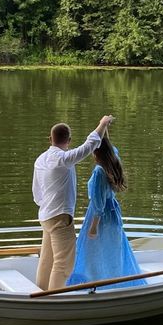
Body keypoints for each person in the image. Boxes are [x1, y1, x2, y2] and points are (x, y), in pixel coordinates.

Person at [32, 115, 114, 291]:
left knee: (47, 260)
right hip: (60, 218)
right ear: (69, 140)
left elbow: (36, 194)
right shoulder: (64, 159)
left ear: (50, 139)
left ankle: (40, 293)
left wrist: (46, 206)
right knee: (64, 264)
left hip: (45, 217)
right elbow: (90, 145)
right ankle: (54, 301)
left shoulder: (40, 160)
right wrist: (102, 123)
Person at [67, 133, 147, 290]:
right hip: (113, 215)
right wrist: (104, 130)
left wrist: (93, 226)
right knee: (113, 249)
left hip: (100, 217)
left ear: (97, 151)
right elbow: (111, 148)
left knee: (93, 251)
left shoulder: (99, 171)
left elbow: (98, 202)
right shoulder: (113, 162)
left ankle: (96, 284)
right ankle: (115, 281)